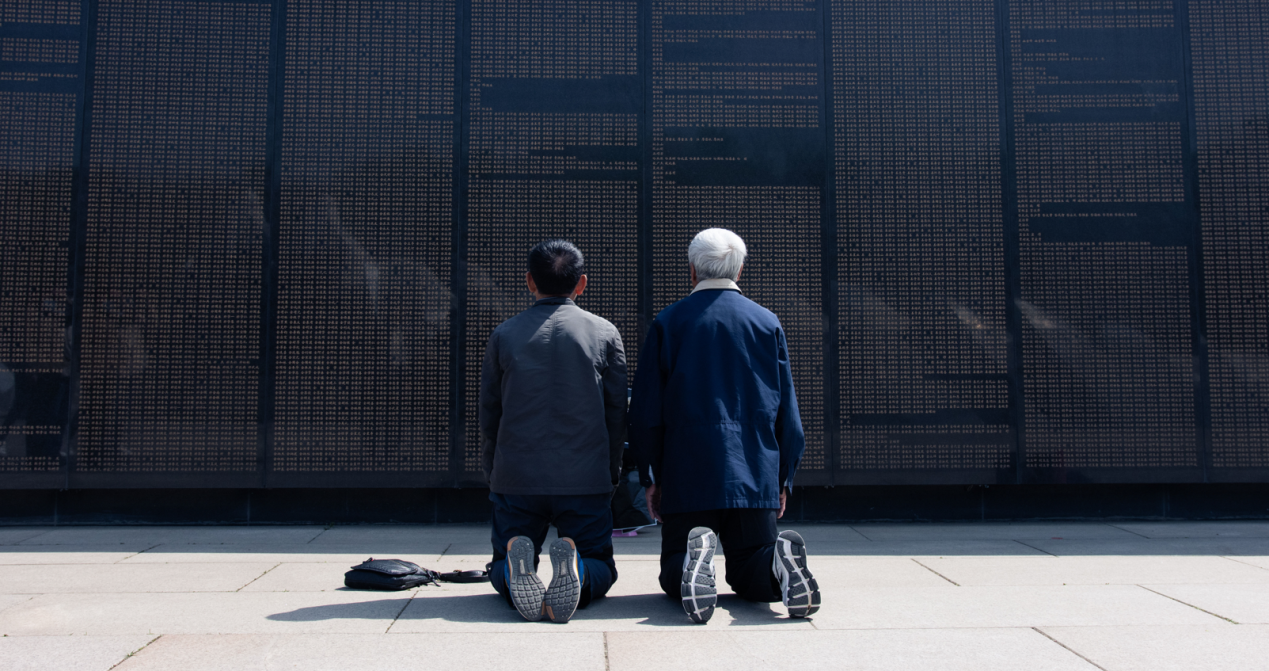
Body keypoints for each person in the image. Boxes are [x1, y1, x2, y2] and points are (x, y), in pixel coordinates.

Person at [628, 227, 821, 624]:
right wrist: (782, 478)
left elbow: (647, 411)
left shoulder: (669, 323)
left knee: (674, 572)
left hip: (688, 470)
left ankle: (693, 564)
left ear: (692, 270)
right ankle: (776, 565)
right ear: (741, 269)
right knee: (753, 570)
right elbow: (788, 411)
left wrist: (650, 475)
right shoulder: (767, 323)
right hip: (753, 469)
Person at [479, 239, 627, 623]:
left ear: (530, 281)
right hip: (584, 477)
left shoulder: (504, 335)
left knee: (498, 564)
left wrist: (494, 472)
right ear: (581, 283)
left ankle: (514, 568)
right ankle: (578, 571)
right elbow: (616, 413)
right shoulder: (605, 333)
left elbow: (490, 413)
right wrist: (611, 472)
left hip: (516, 477)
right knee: (600, 563)